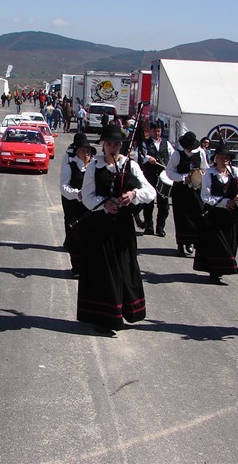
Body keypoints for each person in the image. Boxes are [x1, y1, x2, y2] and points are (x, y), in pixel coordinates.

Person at [77, 123, 155, 334]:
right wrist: (105, 204)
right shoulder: (94, 166)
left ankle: (123, 312)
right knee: (104, 272)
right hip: (100, 227)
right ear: (103, 145)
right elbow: (87, 197)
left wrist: (133, 195)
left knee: (124, 269)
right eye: (109, 143)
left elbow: (151, 192)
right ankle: (105, 318)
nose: (113, 147)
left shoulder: (132, 166)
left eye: (117, 144)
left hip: (123, 228)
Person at [193, 143, 238, 284]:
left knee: (229, 242)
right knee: (217, 244)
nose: (224, 159)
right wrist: (224, 202)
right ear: (215, 158)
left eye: (227, 157)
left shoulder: (235, 172)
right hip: (214, 215)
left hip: (231, 216)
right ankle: (214, 272)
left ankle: (220, 269)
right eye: (221, 157)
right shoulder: (209, 174)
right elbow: (205, 196)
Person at [166, 131, 208, 257]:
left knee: (197, 215)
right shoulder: (177, 154)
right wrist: (183, 177)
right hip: (181, 190)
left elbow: (205, 168)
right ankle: (181, 244)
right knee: (181, 217)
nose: (190, 150)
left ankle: (193, 242)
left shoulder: (200, 152)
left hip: (195, 189)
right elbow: (169, 171)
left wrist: (199, 176)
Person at [60, 133, 96, 277]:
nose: (85, 154)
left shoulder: (94, 167)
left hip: (91, 208)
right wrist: (76, 194)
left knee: (90, 238)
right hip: (74, 207)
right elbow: (63, 187)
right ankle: (77, 267)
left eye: (88, 151)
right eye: (82, 151)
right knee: (75, 237)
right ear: (77, 152)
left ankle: (88, 266)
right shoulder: (70, 166)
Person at [138, 119, 175, 236]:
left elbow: (173, 156)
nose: (157, 134)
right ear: (150, 131)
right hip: (149, 176)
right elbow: (139, 156)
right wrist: (148, 158)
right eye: (154, 131)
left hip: (163, 177)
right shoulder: (145, 143)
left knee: (163, 205)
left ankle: (160, 228)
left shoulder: (166, 143)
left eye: (158, 131)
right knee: (148, 202)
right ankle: (149, 227)